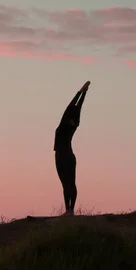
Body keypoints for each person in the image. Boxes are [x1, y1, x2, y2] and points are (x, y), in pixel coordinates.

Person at [54, 81, 90, 216]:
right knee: (72, 183)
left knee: (65, 184)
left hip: (61, 156)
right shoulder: (75, 124)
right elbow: (78, 108)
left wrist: (80, 92)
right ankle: (71, 210)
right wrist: (84, 93)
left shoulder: (63, 124)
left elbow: (71, 106)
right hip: (70, 156)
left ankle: (69, 209)